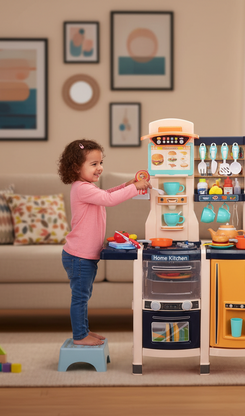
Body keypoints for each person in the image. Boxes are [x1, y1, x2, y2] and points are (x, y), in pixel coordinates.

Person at [58, 139, 151, 346]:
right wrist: (135, 188)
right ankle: (80, 335)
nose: (99, 168)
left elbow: (105, 194)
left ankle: (84, 331)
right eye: (93, 164)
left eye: (101, 163)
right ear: (75, 167)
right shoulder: (81, 188)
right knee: (80, 297)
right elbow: (109, 200)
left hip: (84, 255)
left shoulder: (87, 188)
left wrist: (125, 185)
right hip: (79, 255)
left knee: (84, 295)